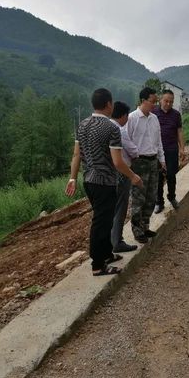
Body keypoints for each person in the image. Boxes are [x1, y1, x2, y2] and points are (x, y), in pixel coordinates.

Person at [65, 88, 142, 276]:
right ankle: (98, 265)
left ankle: (107, 254)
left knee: (106, 220)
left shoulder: (82, 125)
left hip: (89, 181)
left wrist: (72, 177)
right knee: (101, 222)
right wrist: (133, 176)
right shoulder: (112, 128)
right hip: (105, 182)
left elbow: (76, 154)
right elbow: (117, 161)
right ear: (109, 104)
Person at [124, 87, 166, 244]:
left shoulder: (154, 118)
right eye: (152, 101)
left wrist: (162, 159)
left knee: (151, 196)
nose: (154, 105)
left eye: (155, 101)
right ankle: (137, 230)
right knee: (138, 197)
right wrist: (130, 165)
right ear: (143, 101)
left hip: (153, 161)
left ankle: (145, 225)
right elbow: (125, 142)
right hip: (139, 162)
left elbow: (158, 140)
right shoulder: (132, 118)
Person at [109, 101, 138, 253]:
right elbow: (133, 151)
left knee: (111, 208)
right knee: (121, 207)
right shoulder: (119, 130)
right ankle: (117, 241)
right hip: (121, 172)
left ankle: (110, 240)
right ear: (124, 115)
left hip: (107, 175)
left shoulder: (104, 127)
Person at [152, 89, 185, 214]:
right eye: (166, 101)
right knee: (158, 177)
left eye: (171, 102)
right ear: (161, 100)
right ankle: (159, 202)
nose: (168, 104)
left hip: (171, 149)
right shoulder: (153, 112)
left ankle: (172, 197)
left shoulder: (176, 115)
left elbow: (179, 132)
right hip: (156, 151)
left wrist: (182, 148)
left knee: (171, 175)